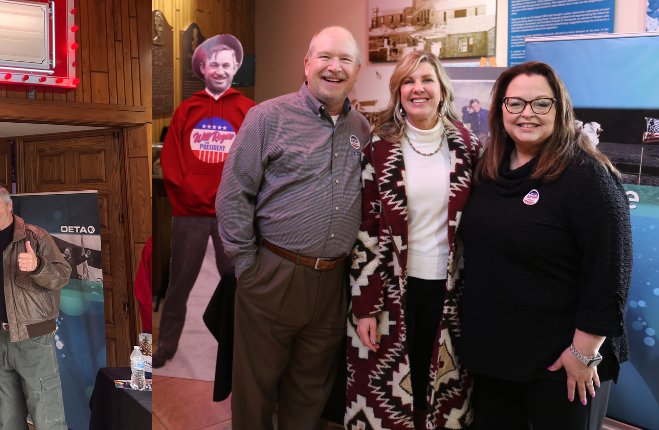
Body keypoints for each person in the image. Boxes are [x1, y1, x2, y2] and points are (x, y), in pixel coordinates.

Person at [458, 61, 632, 428]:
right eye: (515, 103)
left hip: (561, 363)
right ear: (500, 109)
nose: (527, 114)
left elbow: (610, 273)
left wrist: (582, 354)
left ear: (560, 108)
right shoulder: (487, 170)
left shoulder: (587, 176)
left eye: (541, 103)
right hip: (495, 357)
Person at [216, 26, 370, 430]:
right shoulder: (267, 117)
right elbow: (233, 195)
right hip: (272, 275)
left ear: (358, 70)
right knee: (256, 389)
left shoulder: (362, 129)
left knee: (311, 389)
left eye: (345, 60)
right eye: (324, 57)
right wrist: (249, 266)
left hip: (332, 282)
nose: (334, 68)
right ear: (307, 63)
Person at [347, 51, 478, 429]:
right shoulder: (379, 148)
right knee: (388, 392)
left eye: (426, 80)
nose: (417, 88)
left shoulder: (468, 148)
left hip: (452, 292)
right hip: (391, 290)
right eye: (407, 81)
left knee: (441, 388)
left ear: (442, 91)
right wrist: (365, 305)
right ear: (398, 91)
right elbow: (366, 230)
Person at [155, 34, 256, 367]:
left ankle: (241, 347)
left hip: (232, 212)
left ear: (236, 67)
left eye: (227, 64)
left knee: (239, 283)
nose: (220, 70)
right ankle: (167, 347)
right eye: (214, 63)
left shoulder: (248, 110)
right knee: (179, 283)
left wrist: (238, 196)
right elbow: (170, 159)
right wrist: (187, 190)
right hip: (190, 214)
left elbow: (256, 158)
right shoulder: (187, 109)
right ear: (203, 66)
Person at [0, 185, 72, 430]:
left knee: (46, 416)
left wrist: (38, 265)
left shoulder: (35, 237)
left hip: (34, 338)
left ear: (9, 206)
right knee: (7, 418)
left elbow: (62, 275)